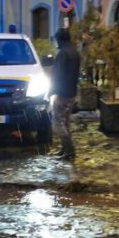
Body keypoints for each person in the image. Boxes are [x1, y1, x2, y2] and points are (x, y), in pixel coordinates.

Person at [49, 28, 81, 161]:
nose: (55, 42)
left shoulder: (63, 54)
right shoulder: (75, 52)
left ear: (60, 40)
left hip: (62, 93)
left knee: (58, 123)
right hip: (71, 91)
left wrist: (51, 92)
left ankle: (69, 150)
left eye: (56, 40)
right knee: (65, 122)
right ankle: (65, 149)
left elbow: (58, 75)